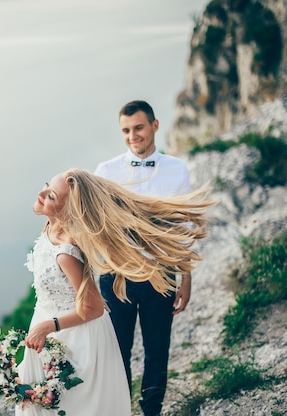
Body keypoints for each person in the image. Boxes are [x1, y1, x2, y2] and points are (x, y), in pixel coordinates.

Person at [16, 168, 211, 416]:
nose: (41, 193)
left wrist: (48, 326)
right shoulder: (50, 227)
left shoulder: (65, 253)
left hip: (74, 335)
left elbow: (95, 308)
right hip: (52, 328)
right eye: (46, 185)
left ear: (68, 211)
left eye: (51, 195)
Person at [94, 99, 194, 416]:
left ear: (154, 125)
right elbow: (96, 227)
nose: (132, 135)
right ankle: (119, 410)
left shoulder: (178, 169)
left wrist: (186, 276)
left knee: (156, 351)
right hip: (117, 276)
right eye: (126, 130)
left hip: (161, 274)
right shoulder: (105, 172)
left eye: (138, 127)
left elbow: (185, 227)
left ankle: (152, 412)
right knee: (116, 353)